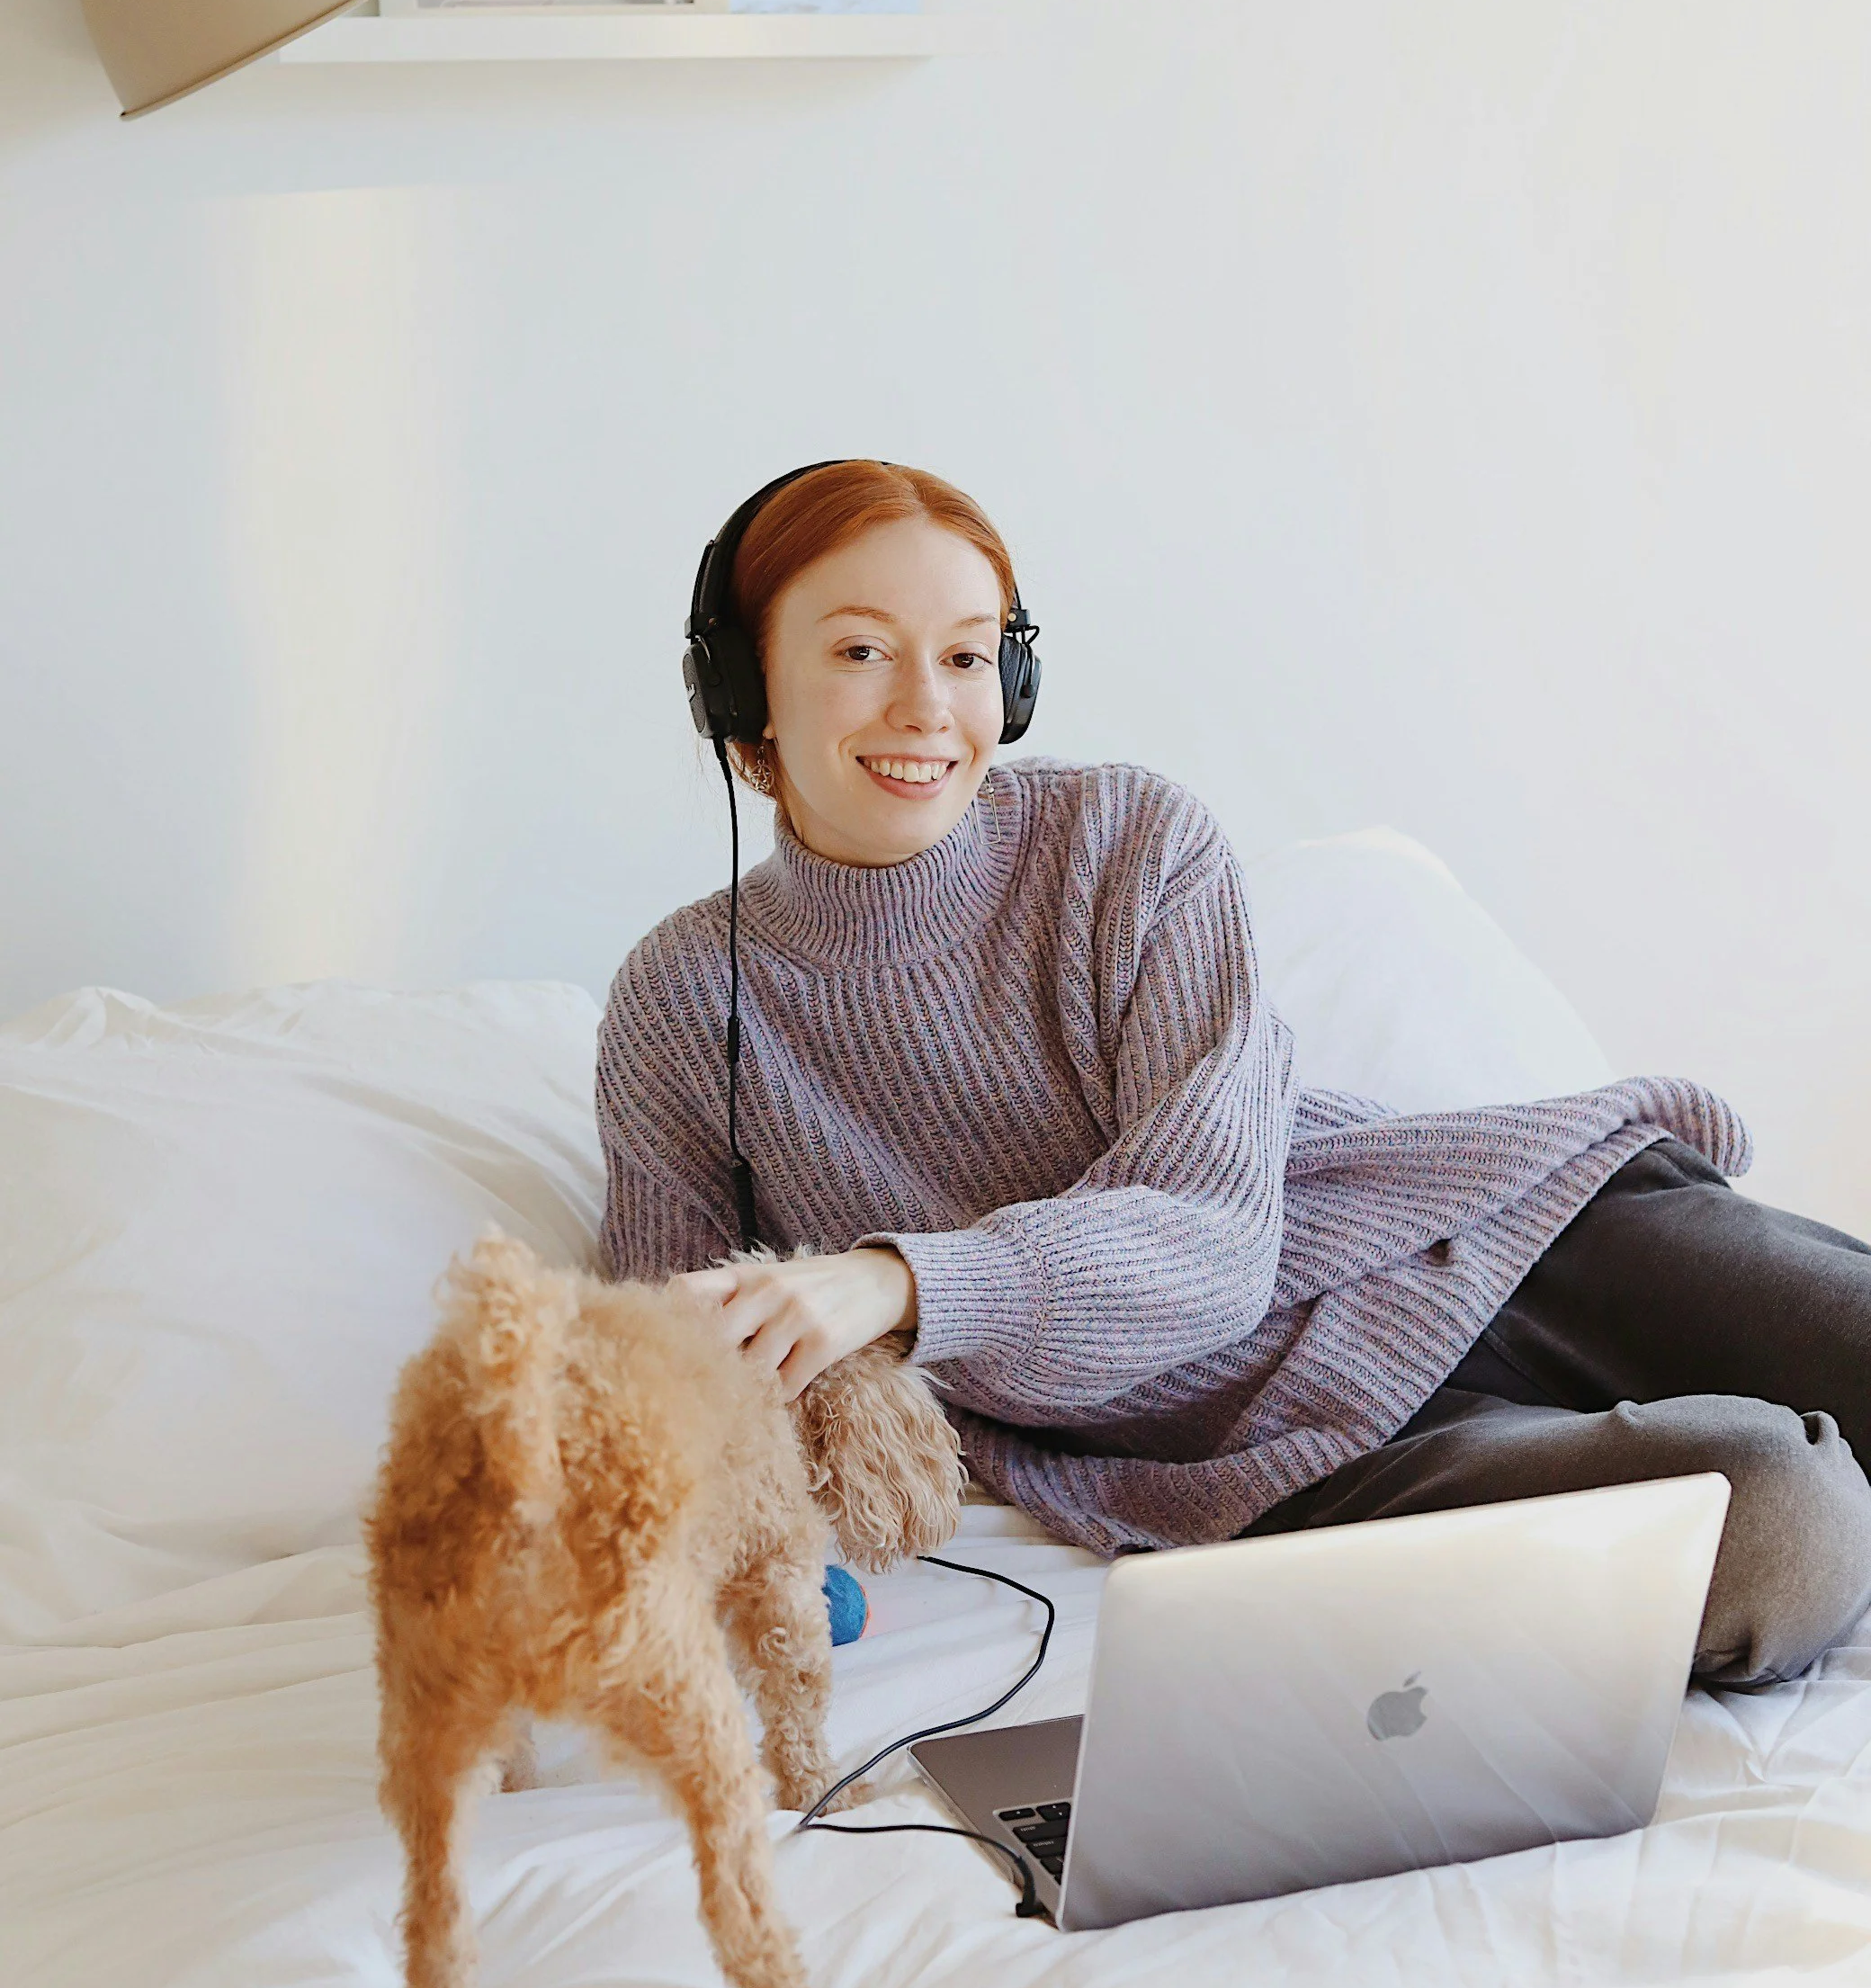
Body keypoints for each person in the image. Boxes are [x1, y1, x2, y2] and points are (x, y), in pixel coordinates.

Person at [597, 461, 1871, 1691]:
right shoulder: (680, 1001)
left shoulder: (1130, 842)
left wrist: (905, 1280)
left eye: (971, 654)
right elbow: (672, 1371)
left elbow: (1213, 1240)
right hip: (1265, 1465)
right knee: (1784, 1530)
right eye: (862, 650)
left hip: (1504, 1245)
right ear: (742, 684)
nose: (929, 705)